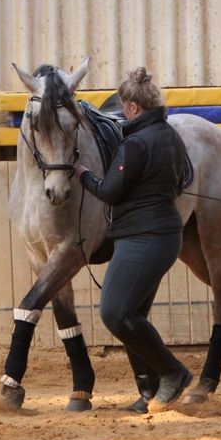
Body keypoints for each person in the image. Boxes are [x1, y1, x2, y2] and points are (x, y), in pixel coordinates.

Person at [74, 67, 191, 413]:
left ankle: (174, 372)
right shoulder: (171, 135)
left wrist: (84, 176)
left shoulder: (135, 143)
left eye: (124, 107)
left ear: (132, 107)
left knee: (114, 313)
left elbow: (109, 191)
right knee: (133, 315)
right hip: (164, 235)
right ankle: (148, 392)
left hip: (143, 237)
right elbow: (184, 178)